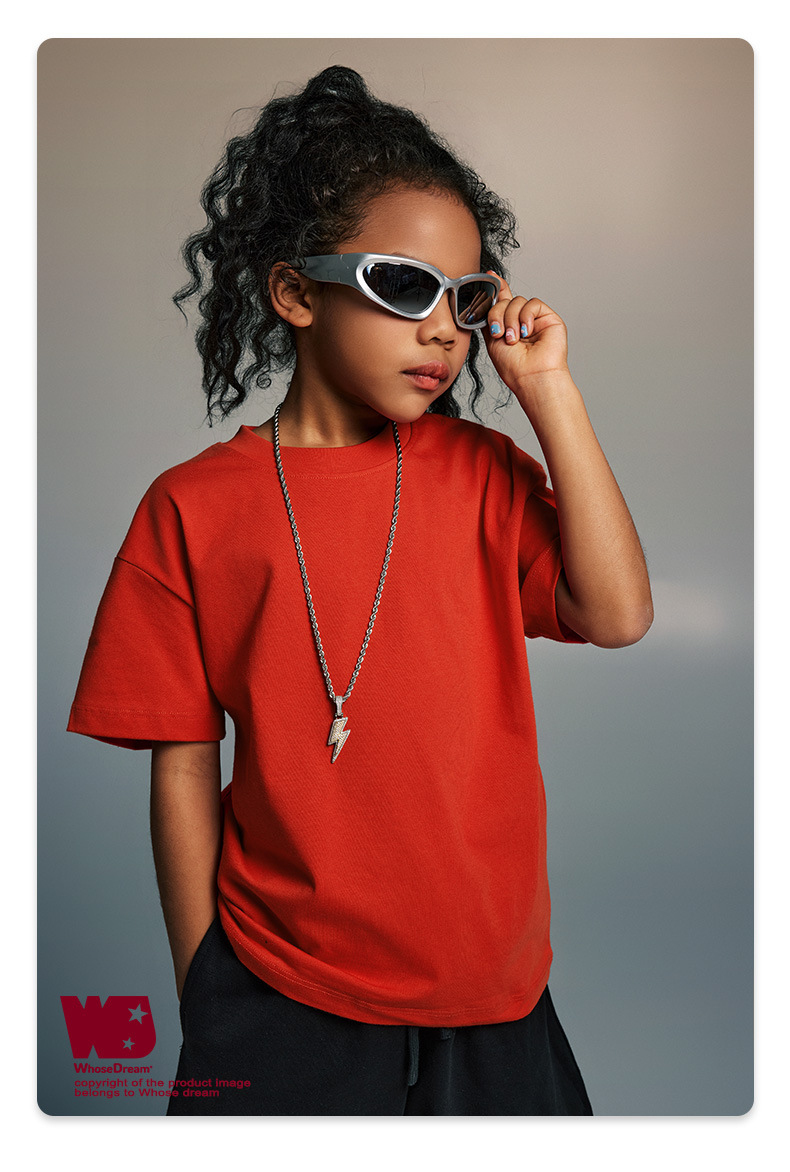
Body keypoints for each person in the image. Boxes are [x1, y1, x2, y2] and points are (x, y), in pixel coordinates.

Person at [67, 65, 653, 1116]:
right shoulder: (190, 509)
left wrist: (548, 391)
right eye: (403, 286)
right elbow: (183, 761)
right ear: (296, 293)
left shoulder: (479, 474)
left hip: (493, 986)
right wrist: (204, 983)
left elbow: (616, 615)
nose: (444, 328)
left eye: (466, 298)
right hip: (277, 987)